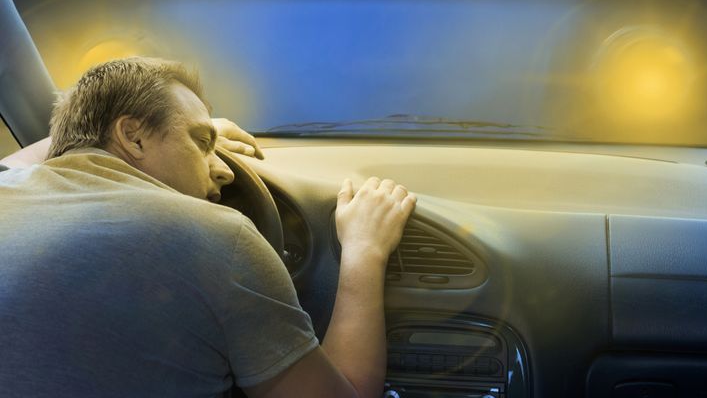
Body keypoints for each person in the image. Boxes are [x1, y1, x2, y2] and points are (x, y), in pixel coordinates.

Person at [0, 57, 416, 398]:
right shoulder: (218, 236)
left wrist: (199, 131)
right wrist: (364, 251)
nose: (225, 171)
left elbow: (41, 156)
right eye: (202, 143)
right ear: (133, 136)